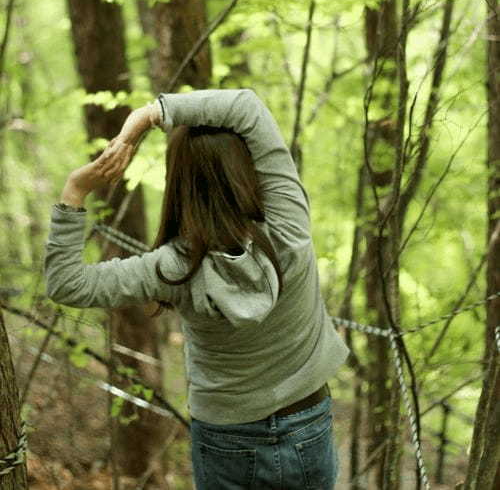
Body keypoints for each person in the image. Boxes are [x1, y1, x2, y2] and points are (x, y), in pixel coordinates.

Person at [46, 88, 349, 489]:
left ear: (179, 182)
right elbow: (246, 107)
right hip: (305, 421)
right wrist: (145, 117)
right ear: (247, 168)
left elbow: (66, 284)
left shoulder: (172, 269)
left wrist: (75, 192)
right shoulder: (288, 229)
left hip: (226, 437)